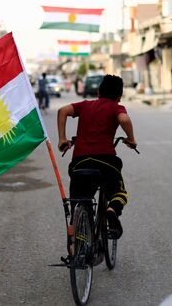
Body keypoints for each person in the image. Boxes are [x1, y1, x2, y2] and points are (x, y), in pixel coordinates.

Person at [57, 74, 137, 239]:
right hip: (105, 161)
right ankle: (111, 210)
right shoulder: (116, 108)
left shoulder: (85, 105)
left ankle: (76, 247)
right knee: (118, 193)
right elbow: (124, 119)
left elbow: (62, 111)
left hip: (80, 162)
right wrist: (131, 139)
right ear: (120, 96)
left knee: (79, 201)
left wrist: (62, 139)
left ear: (99, 91)